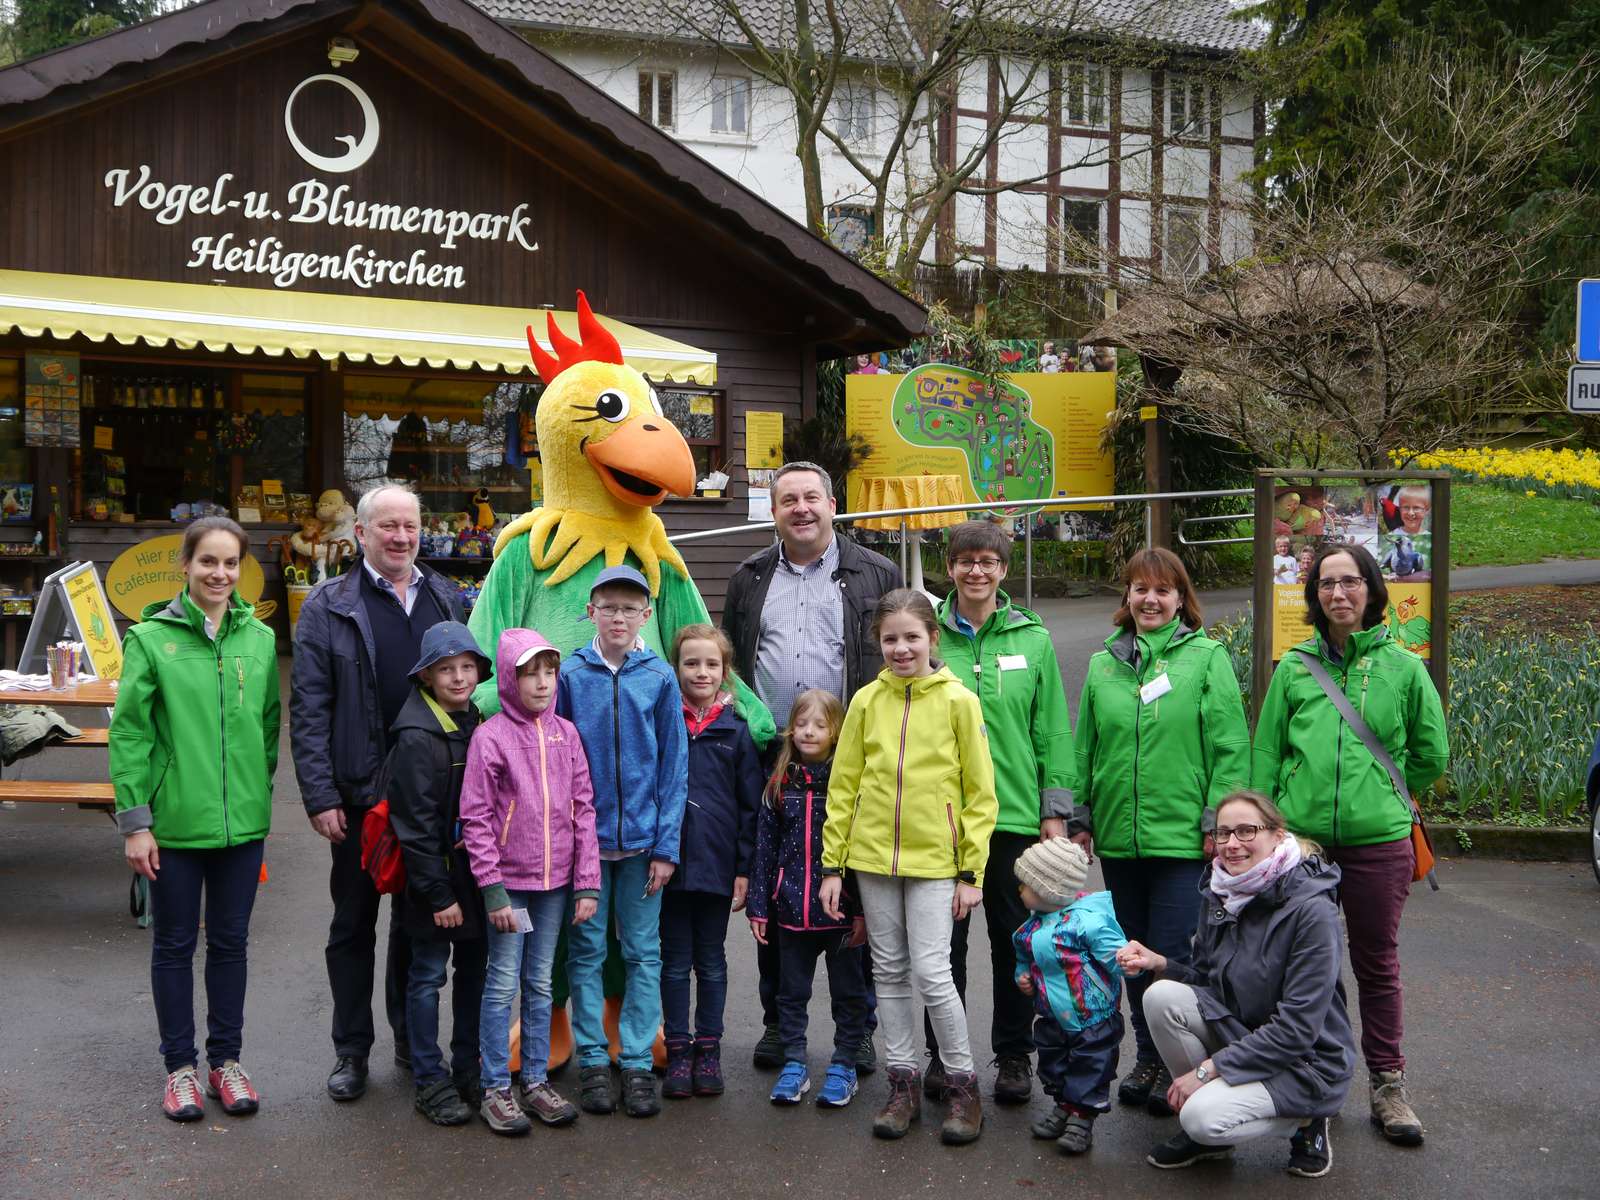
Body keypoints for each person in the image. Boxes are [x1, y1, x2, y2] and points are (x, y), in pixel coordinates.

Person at [1252, 542, 1447, 1147]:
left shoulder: (1403, 668)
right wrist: (1269, 827)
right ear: (1315, 595)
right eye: (1327, 584)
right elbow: (1267, 752)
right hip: (1303, 845)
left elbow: (1431, 753)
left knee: (1376, 963)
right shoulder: (1293, 668)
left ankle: (1389, 1085)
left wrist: (1384, 796)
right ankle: (1317, 1075)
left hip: (1379, 842)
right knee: (1307, 965)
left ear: (1371, 590)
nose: (1338, 594)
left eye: (1350, 582)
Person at [721, 460, 901, 1072]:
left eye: (811, 497)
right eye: (788, 500)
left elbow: (894, 658)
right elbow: (736, 661)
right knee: (778, 882)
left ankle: (858, 1031)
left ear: (832, 503)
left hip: (853, 755)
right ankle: (779, 1023)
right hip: (773, 753)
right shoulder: (749, 578)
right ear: (774, 512)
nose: (800, 508)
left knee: (851, 891)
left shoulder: (876, 573)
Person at [290, 484, 465, 1102]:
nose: (400, 536)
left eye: (410, 526)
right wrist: (320, 795)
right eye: (387, 526)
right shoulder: (329, 604)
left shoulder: (446, 596)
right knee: (354, 923)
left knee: (416, 928)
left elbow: (467, 688)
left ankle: (411, 1047)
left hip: (429, 798)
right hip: (360, 796)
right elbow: (309, 707)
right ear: (360, 534)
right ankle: (351, 1051)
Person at [112, 517, 280, 1122]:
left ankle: (225, 1063)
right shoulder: (151, 640)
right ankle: (179, 1069)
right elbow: (129, 733)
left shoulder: (258, 639)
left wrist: (256, 795)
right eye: (207, 561)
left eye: (230, 563)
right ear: (185, 565)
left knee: (231, 945)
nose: (219, 573)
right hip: (173, 827)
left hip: (242, 830)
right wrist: (136, 821)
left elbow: (266, 726)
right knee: (175, 945)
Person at [1072, 548, 1251, 1117]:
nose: (1150, 599)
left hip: (1181, 839)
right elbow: (1086, 747)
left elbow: (1230, 746)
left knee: (1170, 956)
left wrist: (1216, 824)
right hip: (1121, 840)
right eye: (1139, 589)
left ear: (1180, 599)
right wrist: (1082, 814)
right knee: (1129, 954)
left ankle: (1184, 1068)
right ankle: (1147, 1056)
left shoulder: (1205, 658)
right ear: (1126, 597)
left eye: (1162, 590)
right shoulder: (1104, 663)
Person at [819, 589, 998, 1145]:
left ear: (932, 639)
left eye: (911, 637)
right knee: (890, 972)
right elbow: (844, 785)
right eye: (890, 639)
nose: (901, 649)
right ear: (879, 643)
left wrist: (972, 873)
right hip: (873, 861)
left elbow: (980, 793)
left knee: (933, 972)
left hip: (935, 862)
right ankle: (903, 1085)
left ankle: (964, 1085)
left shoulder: (958, 702)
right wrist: (833, 865)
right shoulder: (867, 703)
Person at [1120, 790, 1355, 1179]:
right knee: (1160, 994)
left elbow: (1296, 1029)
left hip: (1306, 1062)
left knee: (1199, 1117)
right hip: (1245, 1034)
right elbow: (1208, 983)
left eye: (1247, 831)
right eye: (1223, 833)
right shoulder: (1221, 891)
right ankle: (1216, 1138)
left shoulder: (1312, 911)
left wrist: (1207, 1071)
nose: (1232, 844)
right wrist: (1159, 963)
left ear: (1277, 836)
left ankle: (1306, 1120)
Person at [922, 521, 1074, 1107]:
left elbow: (1052, 730)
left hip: (1011, 817)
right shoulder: (930, 636)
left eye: (988, 561)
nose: (976, 571)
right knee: (945, 947)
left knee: (1017, 942)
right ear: (951, 568)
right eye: (965, 561)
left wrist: (1054, 811)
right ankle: (945, 1056)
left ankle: (1014, 1054)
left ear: (1004, 570)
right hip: (943, 819)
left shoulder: (1032, 638)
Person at [558, 565, 688, 1119]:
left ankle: (634, 1058)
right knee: (586, 952)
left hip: (641, 846)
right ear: (590, 613)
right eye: (607, 606)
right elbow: (556, 759)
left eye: (629, 608)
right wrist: (567, 839)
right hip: (585, 845)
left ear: (645, 616)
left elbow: (673, 769)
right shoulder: (569, 676)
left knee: (642, 951)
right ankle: (591, 1057)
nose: (618, 616)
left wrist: (666, 847)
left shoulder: (658, 678)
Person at [460, 628, 599, 1134]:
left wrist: (586, 883)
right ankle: (496, 1086)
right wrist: (492, 888)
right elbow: (475, 817)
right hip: (510, 886)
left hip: (556, 886)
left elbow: (584, 809)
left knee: (540, 984)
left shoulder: (567, 733)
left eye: (549, 672)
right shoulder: (490, 736)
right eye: (529, 673)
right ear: (509, 678)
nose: (542, 683)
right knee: (501, 985)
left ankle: (536, 1081)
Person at [385, 622, 491, 1126]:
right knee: (426, 974)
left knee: (475, 972)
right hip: (434, 888)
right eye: (446, 669)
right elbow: (414, 826)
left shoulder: (480, 721)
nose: (459, 677)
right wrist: (437, 893)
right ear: (426, 676)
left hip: (476, 880)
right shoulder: (414, 739)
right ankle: (429, 1076)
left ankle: (467, 1066)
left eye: (467, 667)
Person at [747, 689, 869, 1110]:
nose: (809, 732)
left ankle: (845, 1063)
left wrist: (863, 911)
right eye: (801, 724)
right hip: (790, 911)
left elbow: (862, 852)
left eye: (819, 725)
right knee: (790, 992)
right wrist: (760, 906)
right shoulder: (780, 785)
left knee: (849, 993)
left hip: (841, 915)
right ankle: (795, 1061)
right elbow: (764, 849)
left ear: (837, 731)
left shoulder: (850, 785)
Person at [660, 625, 765, 1100]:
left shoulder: (736, 730)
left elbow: (750, 808)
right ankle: (677, 1050)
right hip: (668, 865)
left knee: (712, 962)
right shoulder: (663, 721)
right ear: (676, 667)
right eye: (690, 663)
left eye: (711, 665)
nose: (701, 672)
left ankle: (709, 1049)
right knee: (674, 963)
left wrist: (744, 869)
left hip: (718, 867)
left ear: (725, 672)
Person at [1012, 839, 1127, 1155]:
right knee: (1054, 1062)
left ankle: (1082, 1119)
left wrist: (1127, 961)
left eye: (1027, 885)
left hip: (1093, 1015)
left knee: (1090, 1065)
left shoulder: (1089, 922)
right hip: (1051, 1015)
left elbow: (1116, 958)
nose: (1020, 890)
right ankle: (1064, 1105)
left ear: (1050, 890)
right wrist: (1022, 976)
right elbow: (1024, 956)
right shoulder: (1030, 927)